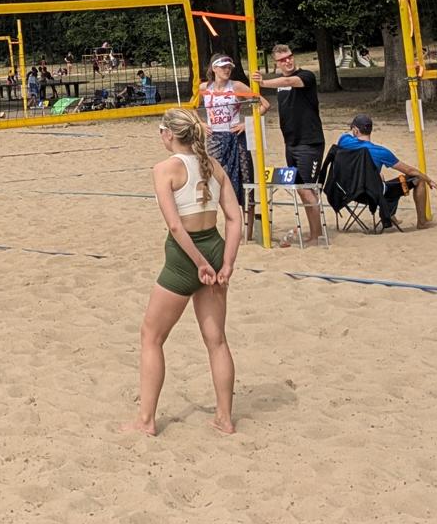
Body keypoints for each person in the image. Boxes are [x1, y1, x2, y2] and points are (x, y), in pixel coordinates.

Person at [123, 109, 241, 438]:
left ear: (170, 134)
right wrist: (227, 263)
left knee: (151, 336)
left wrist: (200, 263)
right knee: (216, 340)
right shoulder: (213, 166)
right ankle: (224, 418)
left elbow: (175, 226)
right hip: (214, 247)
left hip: (185, 256)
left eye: (161, 130)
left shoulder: (165, 169)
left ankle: (146, 420)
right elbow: (235, 219)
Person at [253, 44, 324, 242]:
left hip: (309, 142)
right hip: (291, 143)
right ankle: (314, 231)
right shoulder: (280, 85)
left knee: (306, 188)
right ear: (276, 63)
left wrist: (263, 82)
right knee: (300, 189)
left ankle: (317, 235)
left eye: (289, 57)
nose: (287, 61)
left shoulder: (306, 76)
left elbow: (289, 80)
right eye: (282, 60)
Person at [335, 114, 437, 228]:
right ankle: (422, 222)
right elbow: (409, 170)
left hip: (347, 191)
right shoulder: (381, 152)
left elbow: (347, 139)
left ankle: (391, 215)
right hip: (372, 194)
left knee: (379, 179)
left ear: (355, 130)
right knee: (418, 179)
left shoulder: (344, 140)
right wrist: (429, 180)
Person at [194, 55, 262, 236]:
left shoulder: (236, 86)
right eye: (223, 66)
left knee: (245, 181)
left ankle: (248, 232)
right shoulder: (204, 88)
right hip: (215, 139)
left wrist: (246, 124)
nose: (227, 70)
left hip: (236, 138)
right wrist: (200, 123)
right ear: (214, 68)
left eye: (229, 67)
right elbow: (192, 107)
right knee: (214, 182)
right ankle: (219, 227)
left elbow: (263, 104)